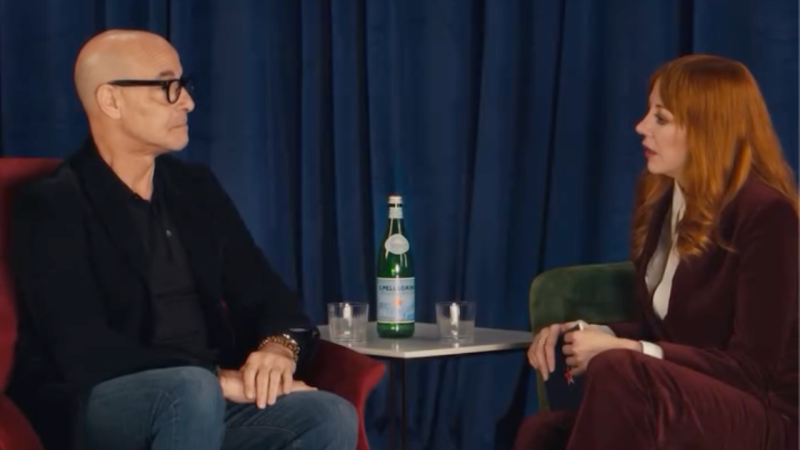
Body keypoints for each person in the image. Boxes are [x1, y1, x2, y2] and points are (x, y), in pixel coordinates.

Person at [7, 29, 358, 450]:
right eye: (166, 87)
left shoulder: (195, 189)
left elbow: (266, 294)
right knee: (190, 390)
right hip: (99, 401)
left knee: (328, 414)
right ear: (111, 100)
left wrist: (279, 349)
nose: (187, 102)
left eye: (184, 85)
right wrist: (215, 378)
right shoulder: (52, 203)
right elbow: (80, 348)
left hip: (204, 397)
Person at [518, 54, 798, 449]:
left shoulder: (767, 214)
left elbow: (753, 370)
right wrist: (588, 332)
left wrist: (629, 350)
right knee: (541, 432)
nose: (641, 127)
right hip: (690, 398)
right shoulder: (664, 203)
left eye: (660, 118)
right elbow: (672, 333)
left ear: (707, 129)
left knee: (619, 368)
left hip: (765, 414)